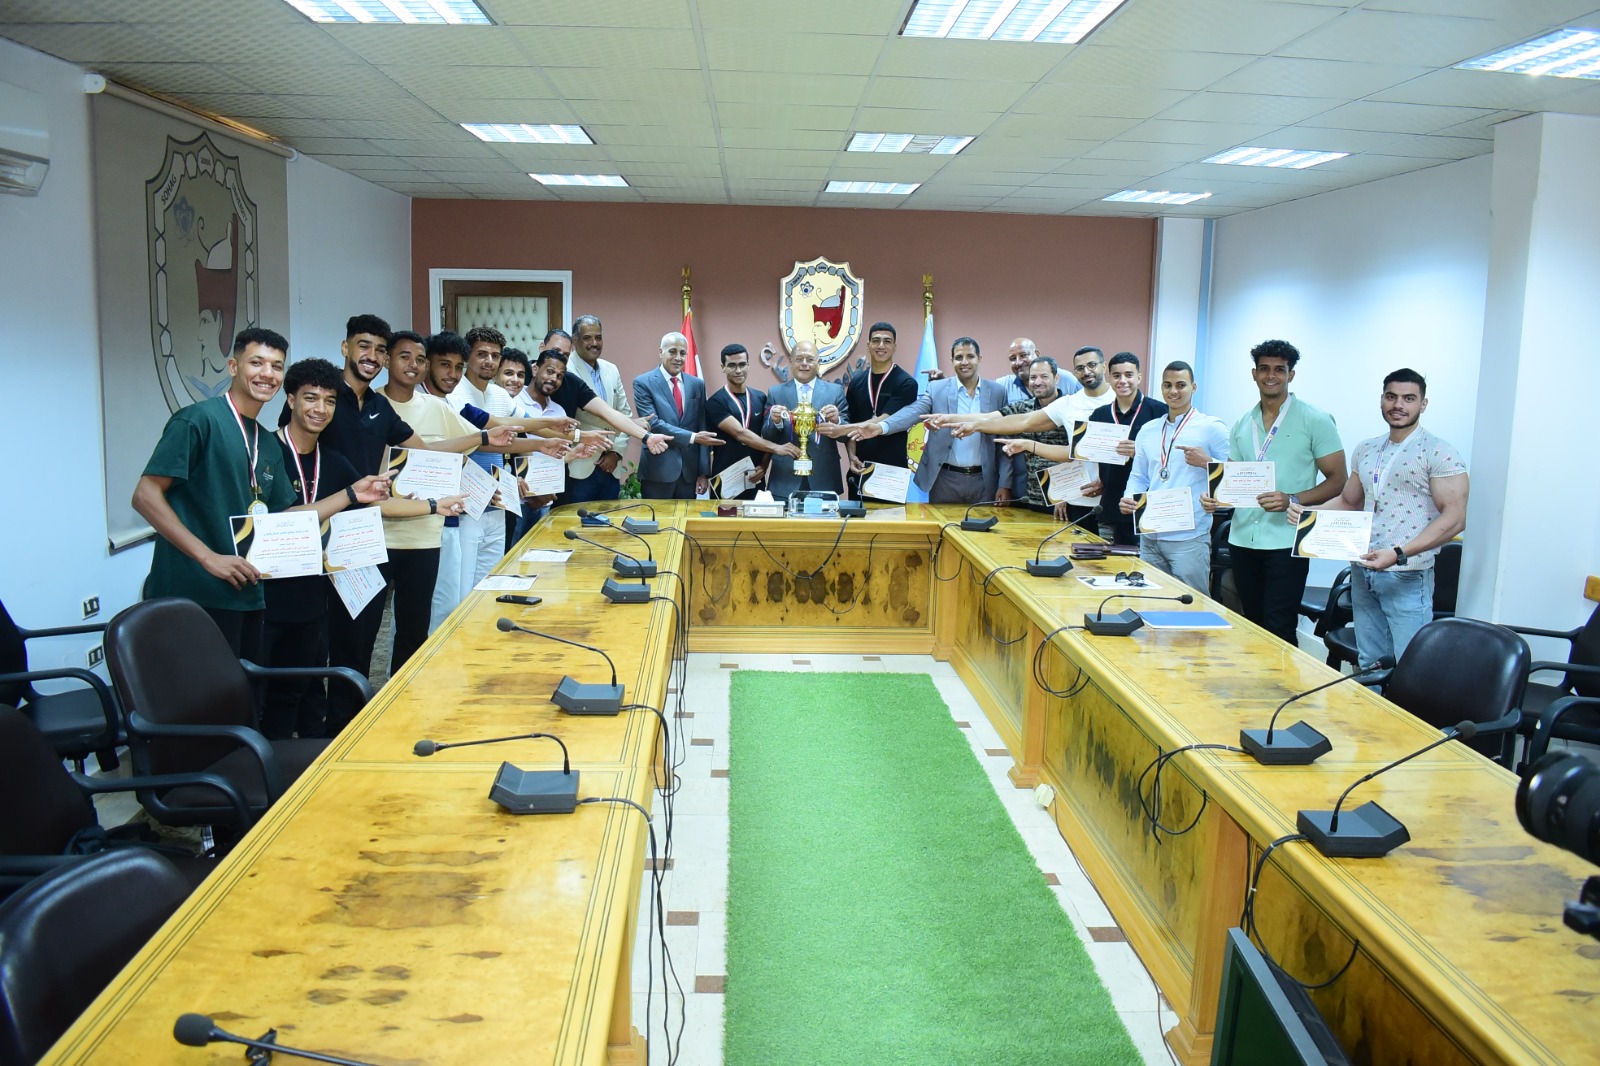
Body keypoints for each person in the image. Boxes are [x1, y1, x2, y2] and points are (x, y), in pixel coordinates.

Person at [133, 328, 389, 663]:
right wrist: (209, 557)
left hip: (246, 595)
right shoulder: (198, 420)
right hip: (193, 595)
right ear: (233, 366)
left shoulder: (266, 442)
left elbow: (284, 519)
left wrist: (351, 494)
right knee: (195, 693)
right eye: (257, 363)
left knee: (242, 692)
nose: (267, 373)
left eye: (276, 366)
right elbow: (146, 495)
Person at [263, 357, 458, 738]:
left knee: (307, 691)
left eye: (329, 401)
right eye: (311, 398)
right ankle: (266, 769)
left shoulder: (332, 461)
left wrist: (435, 505)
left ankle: (316, 759)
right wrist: (350, 494)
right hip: (268, 598)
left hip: (313, 594)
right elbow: (278, 522)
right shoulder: (266, 452)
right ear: (291, 400)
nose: (321, 409)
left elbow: (374, 502)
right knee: (268, 696)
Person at [1287, 369, 1467, 665]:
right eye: (1391, 397)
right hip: (1363, 567)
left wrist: (1398, 554)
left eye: (1409, 398)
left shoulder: (1439, 452)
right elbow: (1349, 501)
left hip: (1407, 574)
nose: (1398, 405)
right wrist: (1308, 515)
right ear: (1382, 399)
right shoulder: (1367, 449)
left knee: (1410, 665)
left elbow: (1455, 519)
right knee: (1370, 661)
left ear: (1423, 404)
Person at [1193, 339, 1346, 645]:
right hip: (1242, 538)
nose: (1271, 375)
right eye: (1264, 369)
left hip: (1287, 541)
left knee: (1280, 627)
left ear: (1291, 375)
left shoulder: (1315, 419)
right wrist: (1216, 498)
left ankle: (1285, 678)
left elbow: (1338, 480)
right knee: (1252, 624)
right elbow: (1233, 478)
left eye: (1279, 369)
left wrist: (1293, 499)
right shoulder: (1243, 423)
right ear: (1254, 374)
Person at [376, 331, 472, 673]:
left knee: (413, 628)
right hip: (374, 535)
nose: (413, 365)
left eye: (419, 359)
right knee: (363, 630)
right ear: (386, 359)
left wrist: (446, 472)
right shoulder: (370, 404)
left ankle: (403, 692)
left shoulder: (436, 408)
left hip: (423, 537)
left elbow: (468, 443)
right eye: (404, 357)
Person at [1118, 362, 1230, 593]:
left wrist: (1207, 462)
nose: (1174, 391)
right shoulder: (1148, 430)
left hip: (1188, 537)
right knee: (1152, 598)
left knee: (1193, 601)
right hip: (1150, 532)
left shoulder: (1211, 427)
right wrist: (1129, 497)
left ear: (1193, 387)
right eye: (1168, 385)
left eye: (1181, 385)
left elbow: (1236, 474)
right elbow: (1139, 476)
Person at [856, 337, 1008, 505]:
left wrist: (1005, 484)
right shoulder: (937, 389)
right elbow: (913, 412)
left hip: (985, 481)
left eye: (970, 356)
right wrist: (881, 427)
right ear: (952, 361)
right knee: (940, 523)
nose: (964, 362)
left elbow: (1005, 441)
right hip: (945, 480)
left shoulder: (998, 392)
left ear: (979, 359)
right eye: (959, 357)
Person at [1083, 352, 1167, 545]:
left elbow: (1171, 456)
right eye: (1116, 375)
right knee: (1110, 561)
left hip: (1147, 508)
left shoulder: (1160, 412)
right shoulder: (1099, 415)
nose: (1122, 381)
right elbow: (1091, 456)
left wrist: (1140, 451)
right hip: (1110, 506)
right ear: (1109, 378)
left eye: (1129, 375)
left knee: (1142, 563)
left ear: (1139, 377)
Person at [634, 331, 721, 499]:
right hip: (657, 471)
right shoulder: (643, 382)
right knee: (657, 516)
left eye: (683, 353)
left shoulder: (697, 384)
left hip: (689, 473)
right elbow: (653, 424)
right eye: (672, 351)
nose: (678, 358)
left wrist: (703, 472)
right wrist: (693, 437)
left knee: (686, 516)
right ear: (661, 352)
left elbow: (702, 424)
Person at [705, 343, 796, 498]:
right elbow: (740, 433)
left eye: (742, 364)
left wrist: (764, 465)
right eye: (732, 365)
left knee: (756, 514)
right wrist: (777, 448)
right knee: (724, 515)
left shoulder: (760, 397)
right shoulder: (715, 402)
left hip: (755, 477)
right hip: (725, 482)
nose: (738, 370)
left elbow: (769, 435)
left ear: (748, 365)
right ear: (723, 367)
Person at [564, 315, 636, 504]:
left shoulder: (611, 369)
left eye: (598, 337)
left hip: (610, 468)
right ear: (575, 341)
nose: (594, 343)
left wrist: (616, 453)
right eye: (587, 338)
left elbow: (625, 414)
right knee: (576, 519)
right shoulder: (566, 371)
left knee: (609, 520)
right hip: (578, 466)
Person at [763, 341, 849, 498]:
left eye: (809, 359)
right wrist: (775, 421)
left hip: (824, 477)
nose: (804, 363)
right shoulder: (776, 393)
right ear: (790, 362)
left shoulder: (835, 391)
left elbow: (846, 436)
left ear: (818, 362)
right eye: (799, 359)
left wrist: (837, 422)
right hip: (784, 478)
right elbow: (767, 436)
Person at [843, 322, 919, 499]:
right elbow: (851, 424)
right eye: (876, 341)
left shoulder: (906, 383)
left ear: (894, 347)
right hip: (860, 468)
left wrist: (839, 429)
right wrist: (851, 456)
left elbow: (886, 418)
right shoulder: (856, 382)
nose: (881, 346)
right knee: (855, 517)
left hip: (892, 472)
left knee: (889, 518)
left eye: (887, 341)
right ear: (868, 345)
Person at [992, 355, 1071, 516]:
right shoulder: (1024, 408)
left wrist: (1065, 492)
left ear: (1056, 378)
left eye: (1044, 376)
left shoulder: (1071, 407)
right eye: (1033, 377)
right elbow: (991, 418)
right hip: (1032, 497)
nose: (1038, 382)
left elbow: (1078, 455)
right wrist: (957, 421)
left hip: (1064, 500)